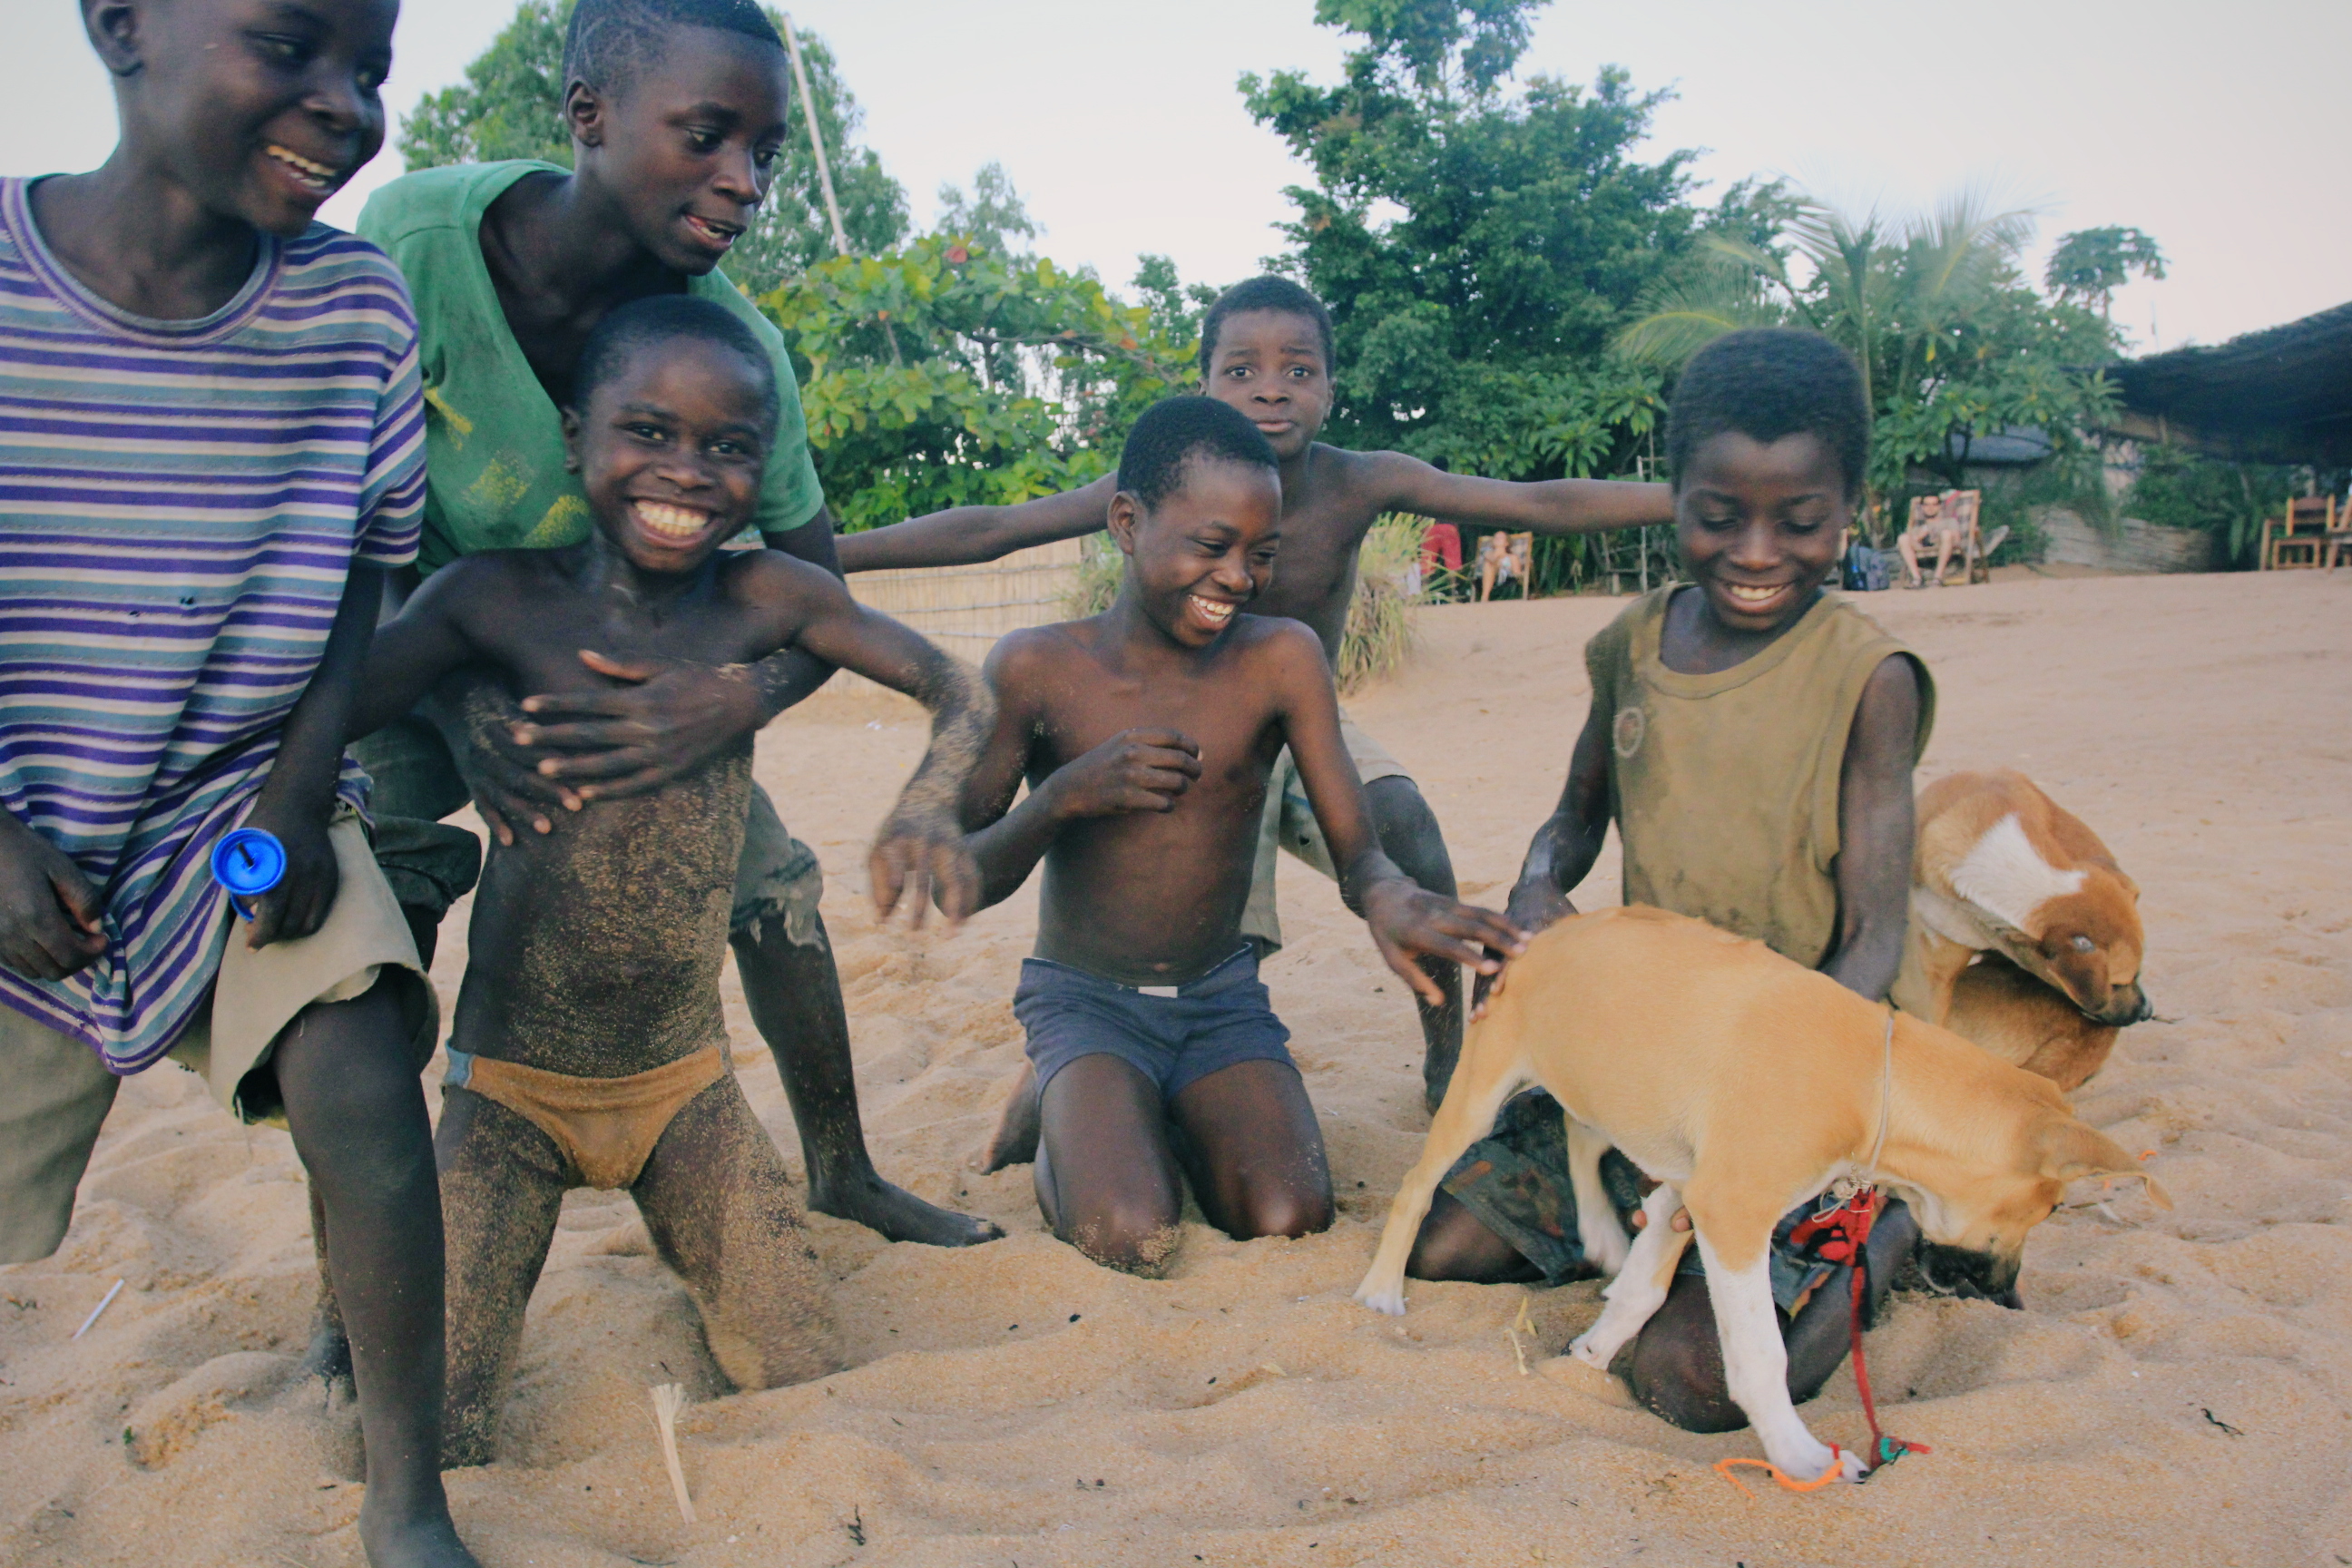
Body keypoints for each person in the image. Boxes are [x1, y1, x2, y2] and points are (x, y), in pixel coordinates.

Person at [352, 0, 992, 1250]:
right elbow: (337, 516)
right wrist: (454, 710)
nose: (743, 182)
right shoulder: (414, 241)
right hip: (418, 631)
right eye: (707, 136)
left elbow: (814, 595)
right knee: (371, 928)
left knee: (771, 889)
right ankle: (363, 1269)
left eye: (765, 154)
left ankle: (845, 1168)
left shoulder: (735, 351)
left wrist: (735, 698)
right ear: (588, 114)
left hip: (630, 665)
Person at [352, 295, 990, 1462]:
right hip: (505, 1096)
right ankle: (333, 1299)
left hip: (685, 1091)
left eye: (728, 447)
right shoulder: (492, 600)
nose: (686, 472)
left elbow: (963, 688)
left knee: (799, 1369)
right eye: (648, 430)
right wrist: (458, 708)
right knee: (431, 1430)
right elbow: (333, 704)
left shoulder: (767, 603)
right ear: (572, 436)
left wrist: (925, 800)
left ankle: (800, 1195)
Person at [0, 0, 477, 1561]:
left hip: (230, 801)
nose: (342, 103)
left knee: (359, 1064)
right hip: (19, 823)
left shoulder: (352, 312)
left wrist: (296, 791)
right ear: (119, 25)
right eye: (289, 47)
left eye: (373, 69)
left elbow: (361, 570)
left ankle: (405, 1496)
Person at [844, 275, 1674, 1142]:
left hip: (1301, 717)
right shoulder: (1159, 480)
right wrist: (825, 555)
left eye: (1298, 370)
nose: (1271, 388)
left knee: (1408, 831)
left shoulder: (1361, 482)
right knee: (1209, 915)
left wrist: (1696, 504)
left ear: (1331, 389)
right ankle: (1069, 1066)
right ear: (1204, 385)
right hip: (1188, 725)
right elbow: (994, 529)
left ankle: (1443, 1059)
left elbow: (1535, 503)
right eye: (1242, 371)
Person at [1406, 328, 1936, 1435]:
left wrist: (1744, 1123)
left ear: (1850, 507)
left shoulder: (1868, 679)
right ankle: (1675, 1234)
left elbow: (1875, 943)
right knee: (1446, 1249)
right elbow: (1574, 820)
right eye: (1716, 514)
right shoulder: (1631, 647)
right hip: (1650, 1065)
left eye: (1799, 523)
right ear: (1676, 492)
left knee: (1691, 1383)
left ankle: (1883, 1232)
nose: (1755, 550)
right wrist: (1540, 884)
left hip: (1801, 1069)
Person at [951, 397, 1525, 1274]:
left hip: (1220, 1003)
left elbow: (1357, 848)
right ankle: (1073, 1106)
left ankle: (1142, 1109)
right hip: (1087, 1000)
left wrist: (1390, 898)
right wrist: (1062, 797)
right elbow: (967, 873)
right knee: (1129, 1236)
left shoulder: (1281, 658)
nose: (1237, 577)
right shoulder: (1037, 668)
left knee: (1290, 1216)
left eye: (1261, 555)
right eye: (1210, 546)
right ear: (1126, 522)